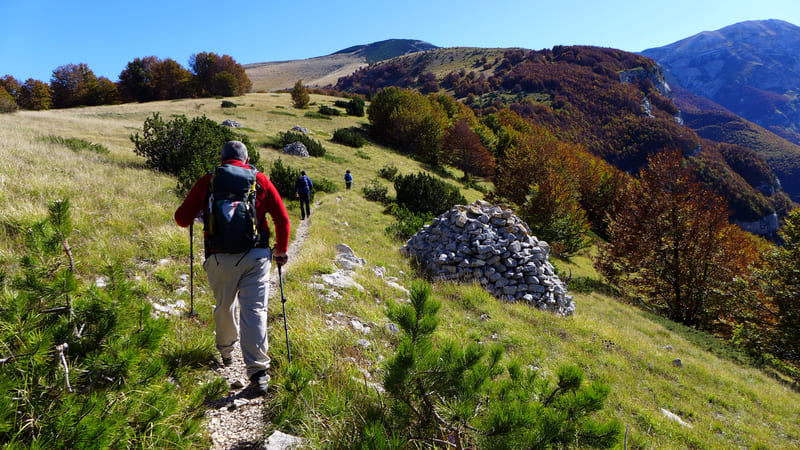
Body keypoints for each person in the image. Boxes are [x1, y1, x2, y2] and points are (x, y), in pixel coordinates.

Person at [174, 140, 290, 395]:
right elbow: (282, 218)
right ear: (246, 159)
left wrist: (201, 213)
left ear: (222, 158)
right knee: (255, 310)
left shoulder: (208, 181)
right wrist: (281, 249)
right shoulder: (260, 179)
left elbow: (181, 218)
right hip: (257, 255)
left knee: (225, 306)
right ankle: (258, 372)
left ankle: (226, 352)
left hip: (219, 257)